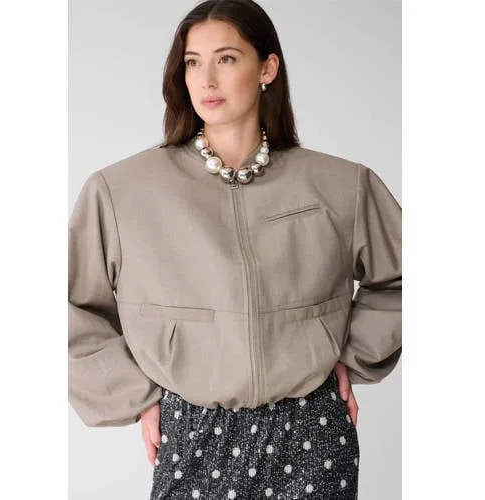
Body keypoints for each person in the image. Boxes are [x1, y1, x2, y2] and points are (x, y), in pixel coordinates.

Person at [68, 0, 402, 498]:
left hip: (311, 427)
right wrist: (135, 397)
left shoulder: (340, 183)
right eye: (192, 62)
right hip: (192, 431)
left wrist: (351, 357)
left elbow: (403, 277)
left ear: (267, 68)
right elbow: (70, 306)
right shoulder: (120, 190)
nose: (206, 79)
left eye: (226, 58)